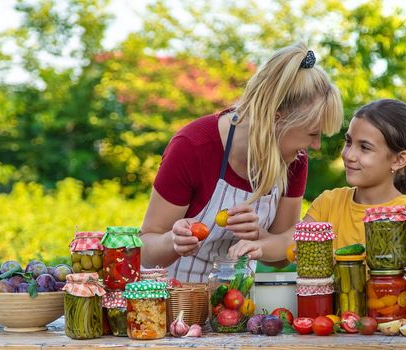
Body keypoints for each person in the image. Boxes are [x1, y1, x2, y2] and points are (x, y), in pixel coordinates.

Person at [140, 43, 344, 282]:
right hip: (176, 304)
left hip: (239, 310)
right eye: (313, 133)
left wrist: (260, 236)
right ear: (276, 119)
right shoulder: (193, 146)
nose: (316, 145)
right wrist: (172, 241)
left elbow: (280, 254)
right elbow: (144, 249)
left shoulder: (293, 159)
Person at [230, 98, 406, 260]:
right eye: (348, 142)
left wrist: (334, 261)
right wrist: (259, 247)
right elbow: (289, 241)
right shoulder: (328, 203)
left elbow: (399, 291)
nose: (349, 155)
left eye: (364, 147)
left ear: (399, 160)